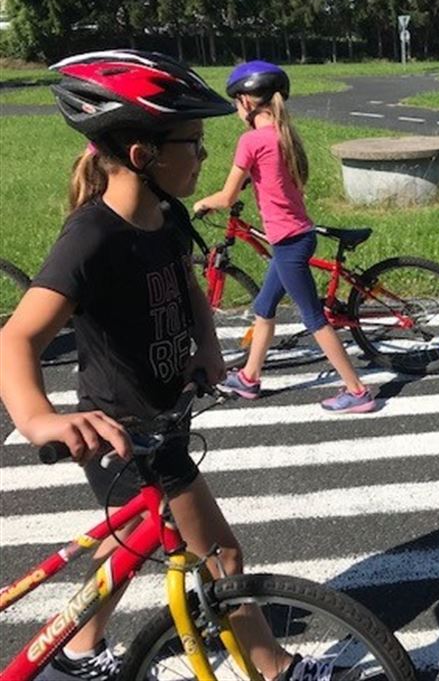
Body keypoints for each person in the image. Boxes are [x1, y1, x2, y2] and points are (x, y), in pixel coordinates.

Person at [0, 50, 321, 681]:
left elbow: (189, 286)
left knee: (128, 545)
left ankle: (76, 652)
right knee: (223, 558)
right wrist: (41, 420)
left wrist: (207, 346)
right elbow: (16, 339)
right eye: (192, 143)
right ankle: (278, 670)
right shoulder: (92, 238)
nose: (203, 155)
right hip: (121, 434)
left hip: (164, 417)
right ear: (143, 154)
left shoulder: (164, 215)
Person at [192, 61, 374, 412]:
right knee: (264, 307)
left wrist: (203, 203)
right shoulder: (283, 135)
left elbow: (227, 197)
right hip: (295, 237)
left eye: (235, 101)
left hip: (289, 242)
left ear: (246, 101)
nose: (236, 109)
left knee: (314, 318)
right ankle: (249, 377)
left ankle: (357, 391)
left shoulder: (251, 140)